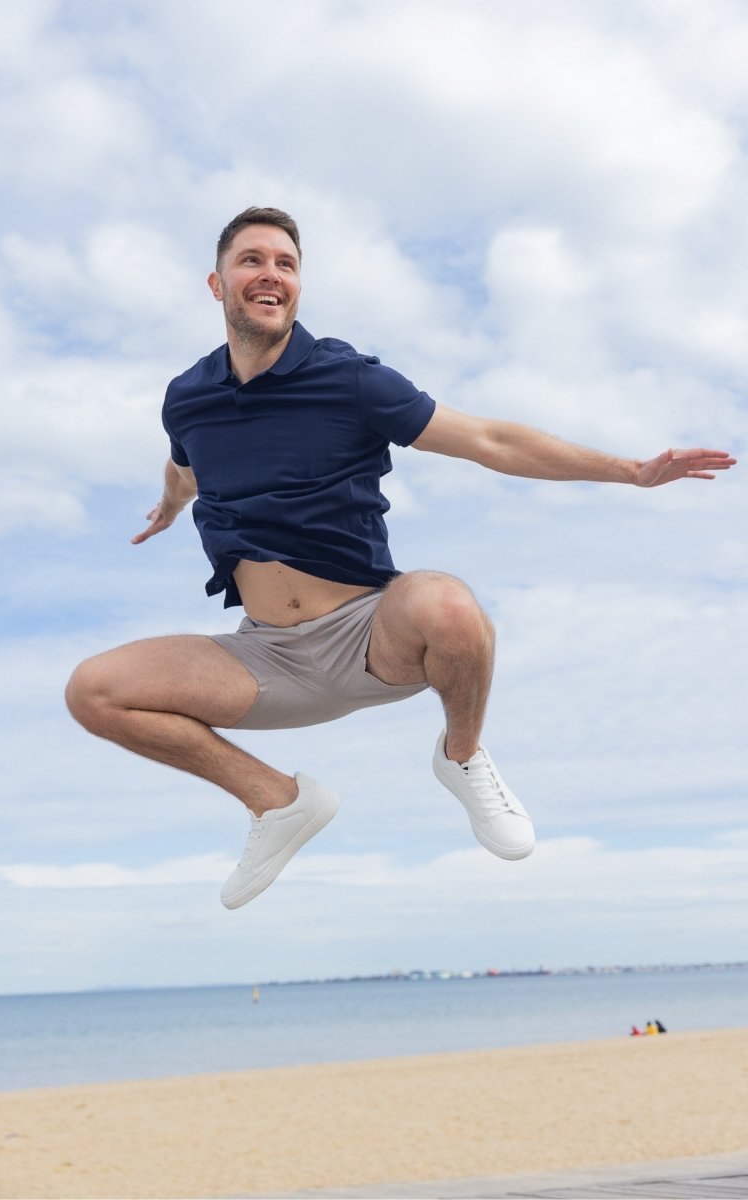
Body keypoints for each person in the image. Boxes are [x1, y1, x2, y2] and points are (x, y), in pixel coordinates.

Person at [65, 206, 736, 911]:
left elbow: (492, 440)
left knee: (448, 605)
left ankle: (463, 755)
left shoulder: (348, 378)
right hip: (266, 660)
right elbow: (185, 467)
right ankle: (277, 802)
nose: (270, 274)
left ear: (298, 286)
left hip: (369, 638)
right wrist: (170, 507)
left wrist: (629, 471)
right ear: (217, 282)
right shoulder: (188, 398)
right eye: (253, 260)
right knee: (94, 690)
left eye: (286, 264)